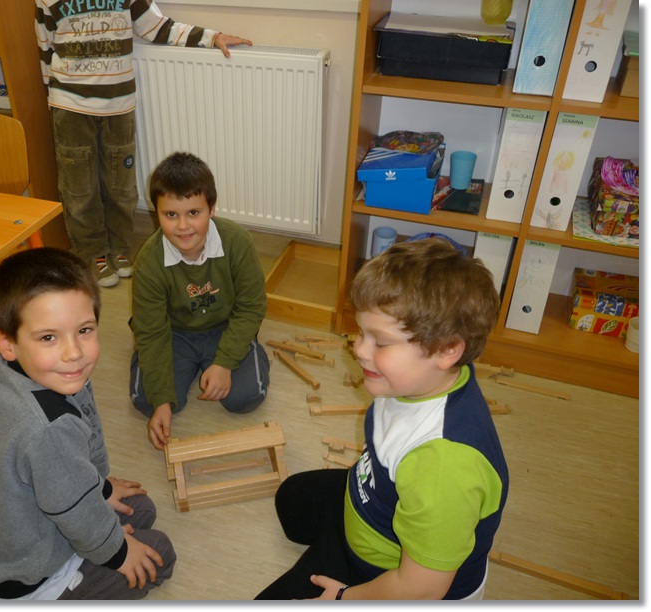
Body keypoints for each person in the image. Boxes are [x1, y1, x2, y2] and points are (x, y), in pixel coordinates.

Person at [255, 237, 509, 600]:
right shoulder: (417, 379)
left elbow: (420, 589)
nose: (358, 349)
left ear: (448, 349)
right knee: (293, 499)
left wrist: (345, 598)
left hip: (387, 578)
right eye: (362, 333)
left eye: (382, 342)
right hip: (375, 506)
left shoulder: (444, 467)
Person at [0, 247, 175, 600]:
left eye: (84, 330)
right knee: (159, 553)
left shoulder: (17, 370)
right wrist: (118, 554)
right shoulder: (48, 429)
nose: (74, 353)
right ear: (6, 343)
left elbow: (63, 476)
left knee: (140, 507)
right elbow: (73, 506)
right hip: (25, 579)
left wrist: (99, 489)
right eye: (48, 337)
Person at [34, 1, 252, 288]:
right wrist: (52, 100)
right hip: (69, 106)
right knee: (79, 190)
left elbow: (157, 27)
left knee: (121, 186)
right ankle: (92, 252)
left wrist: (211, 37)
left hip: (119, 107)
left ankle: (120, 247)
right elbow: (45, 47)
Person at [129, 151, 270, 450]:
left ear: (212, 208)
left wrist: (224, 362)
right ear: (156, 213)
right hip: (175, 333)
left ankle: (233, 354)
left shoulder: (238, 242)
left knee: (246, 397)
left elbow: (251, 307)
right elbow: (151, 331)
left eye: (194, 212)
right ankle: (181, 368)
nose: (183, 226)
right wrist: (161, 400)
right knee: (148, 401)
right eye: (171, 215)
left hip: (224, 326)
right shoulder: (149, 261)